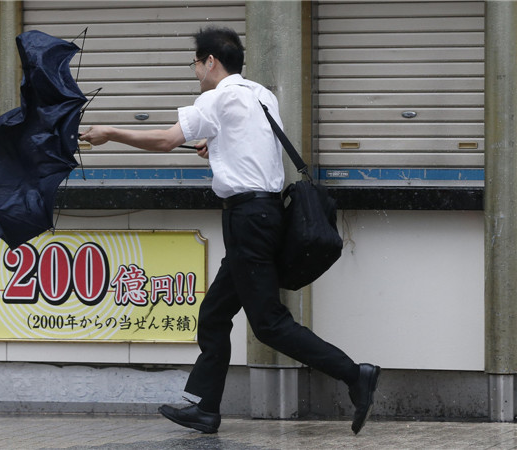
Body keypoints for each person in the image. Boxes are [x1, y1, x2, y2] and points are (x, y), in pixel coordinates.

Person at [79, 26, 380, 436]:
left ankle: (354, 374)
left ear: (210, 62)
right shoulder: (260, 94)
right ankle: (205, 408)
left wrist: (110, 133)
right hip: (266, 215)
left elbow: (167, 141)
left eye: (196, 63)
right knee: (215, 313)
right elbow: (252, 144)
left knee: (268, 323)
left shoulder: (216, 97)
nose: (195, 71)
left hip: (248, 219)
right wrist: (215, 145)